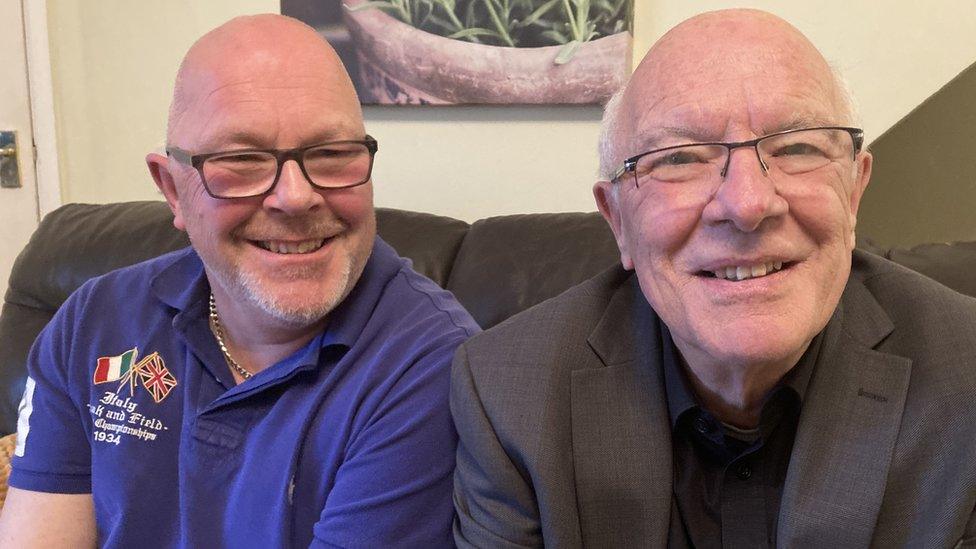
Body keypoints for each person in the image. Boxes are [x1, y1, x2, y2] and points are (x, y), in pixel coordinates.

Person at [452, 9, 976, 548]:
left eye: (797, 147)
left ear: (854, 191)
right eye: (679, 158)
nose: (747, 204)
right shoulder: (507, 394)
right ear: (618, 222)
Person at [0, 14, 479, 548]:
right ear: (173, 190)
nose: (295, 197)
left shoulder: (433, 366)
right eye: (242, 160)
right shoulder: (93, 320)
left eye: (331, 154)